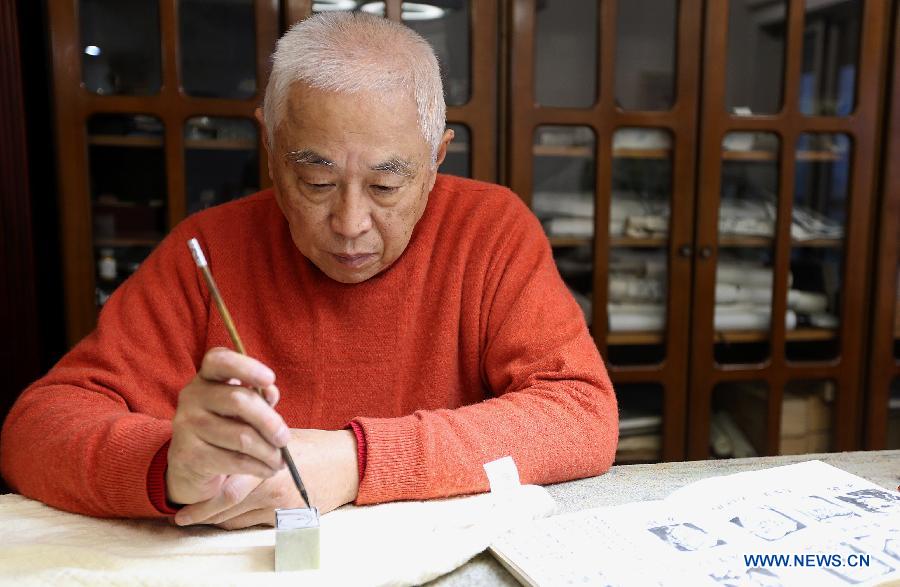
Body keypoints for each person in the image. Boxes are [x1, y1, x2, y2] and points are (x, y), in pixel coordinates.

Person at [0, 12, 618, 529]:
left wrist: (353, 461)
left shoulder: (489, 232)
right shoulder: (209, 251)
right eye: (315, 181)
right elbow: (35, 430)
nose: (349, 223)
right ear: (270, 148)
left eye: (384, 184)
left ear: (435, 158)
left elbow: (581, 414)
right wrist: (166, 466)